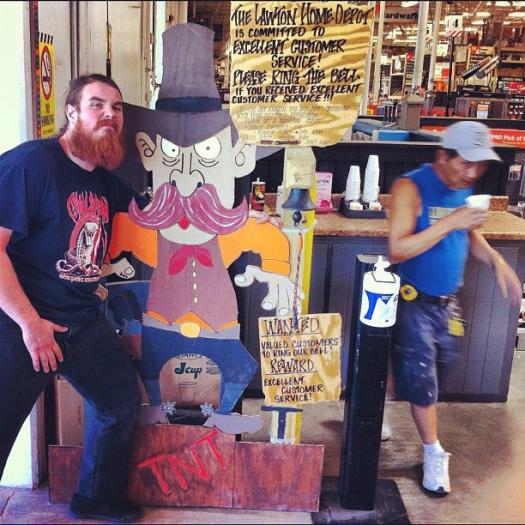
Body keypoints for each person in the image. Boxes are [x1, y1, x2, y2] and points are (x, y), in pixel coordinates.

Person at [0, 74, 147, 522]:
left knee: (118, 407)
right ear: (71, 112)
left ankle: (95, 498)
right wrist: (31, 325)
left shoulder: (105, 179)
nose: (109, 115)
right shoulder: (31, 164)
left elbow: (152, 215)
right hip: (21, 324)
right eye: (97, 104)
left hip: (81, 321)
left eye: (116, 108)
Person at [388, 121, 522, 495]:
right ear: (442, 156)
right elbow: (397, 249)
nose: (472, 173)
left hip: (448, 305)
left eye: (480, 165)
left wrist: (496, 260)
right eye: (466, 163)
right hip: (414, 301)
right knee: (424, 383)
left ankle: (371, 409)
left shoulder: (461, 185)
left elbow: (468, 232)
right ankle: (433, 453)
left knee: (432, 369)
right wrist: (451, 221)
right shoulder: (409, 187)